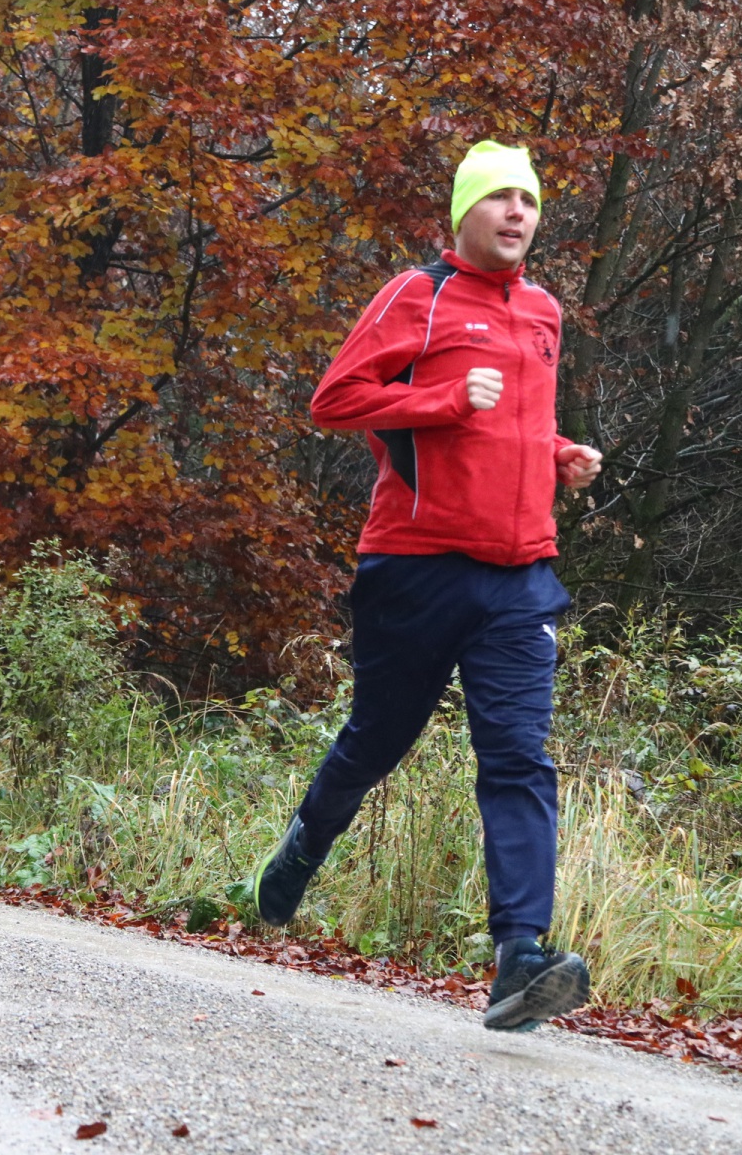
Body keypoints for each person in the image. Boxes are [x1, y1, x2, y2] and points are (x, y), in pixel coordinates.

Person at [248, 141, 605, 1033]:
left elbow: (516, 425)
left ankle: (520, 958)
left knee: (518, 759)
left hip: (520, 575)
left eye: (529, 199)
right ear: (462, 213)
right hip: (416, 567)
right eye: (499, 197)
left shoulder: (544, 312)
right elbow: (335, 400)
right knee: (378, 738)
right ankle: (306, 842)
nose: (517, 213)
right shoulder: (419, 294)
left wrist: (558, 455)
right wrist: (441, 401)